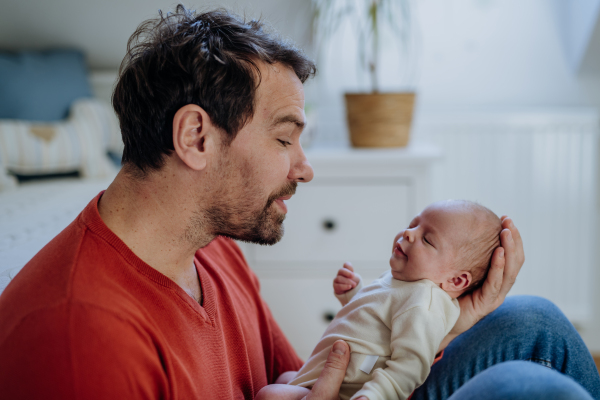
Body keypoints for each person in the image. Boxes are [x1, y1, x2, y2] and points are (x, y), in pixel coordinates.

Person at [0, 5, 598, 400]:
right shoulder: (80, 337)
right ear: (196, 138)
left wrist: (451, 320)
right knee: (527, 387)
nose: (304, 168)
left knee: (533, 320)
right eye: (285, 138)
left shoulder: (211, 250)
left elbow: (324, 369)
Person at [257, 200, 501, 400]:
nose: (409, 233)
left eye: (427, 239)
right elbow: (377, 324)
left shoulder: (424, 300)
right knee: (284, 378)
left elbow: (411, 364)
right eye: (414, 224)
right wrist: (354, 294)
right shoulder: (406, 283)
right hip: (321, 376)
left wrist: (374, 395)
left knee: (270, 395)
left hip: (346, 390)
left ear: (456, 281)